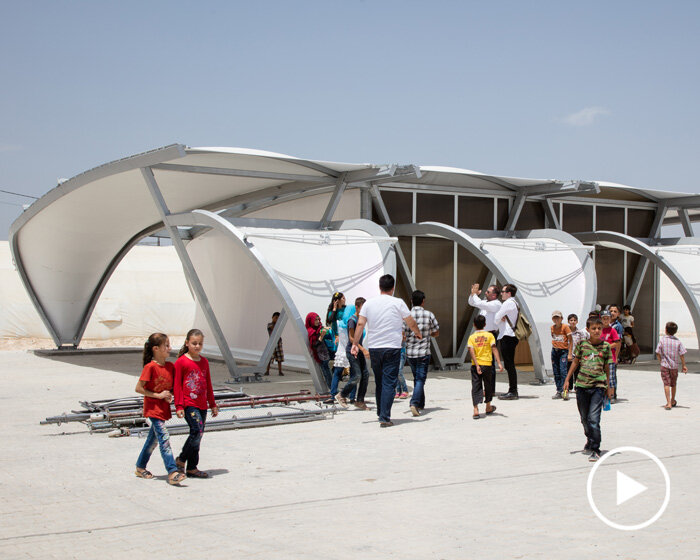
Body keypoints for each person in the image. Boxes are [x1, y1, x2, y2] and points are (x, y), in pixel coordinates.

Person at [351, 274, 421, 427]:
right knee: (389, 382)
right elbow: (410, 321)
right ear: (393, 287)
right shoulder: (398, 302)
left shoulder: (369, 303)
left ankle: (380, 412)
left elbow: (360, 324)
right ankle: (384, 417)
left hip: (375, 348)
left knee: (379, 382)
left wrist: (355, 343)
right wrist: (417, 332)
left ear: (379, 287)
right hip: (392, 348)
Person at [134, 333, 186, 485]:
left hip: (164, 409)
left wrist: (174, 400)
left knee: (153, 440)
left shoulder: (170, 367)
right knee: (164, 438)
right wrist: (158, 395)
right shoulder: (150, 367)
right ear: (156, 348)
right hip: (153, 410)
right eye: (167, 345)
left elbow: (175, 387)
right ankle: (172, 471)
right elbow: (139, 388)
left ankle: (140, 467)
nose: (170, 348)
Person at [563, 316, 614, 462]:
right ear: (588, 330)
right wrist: (567, 380)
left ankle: (596, 449)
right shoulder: (582, 344)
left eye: (599, 328)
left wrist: (609, 387)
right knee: (584, 419)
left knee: (593, 418)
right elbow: (576, 362)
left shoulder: (605, 347)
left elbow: (607, 367)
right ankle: (590, 440)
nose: (597, 331)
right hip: (581, 386)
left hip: (598, 387)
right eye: (594, 328)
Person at [174, 328, 219, 479]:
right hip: (189, 404)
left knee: (198, 435)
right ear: (187, 343)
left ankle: (192, 467)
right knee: (197, 430)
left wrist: (212, 403)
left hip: (202, 405)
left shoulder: (204, 362)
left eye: (200, 343)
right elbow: (177, 386)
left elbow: (208, 384)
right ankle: (181, 459)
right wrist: (179, 406)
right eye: (194, 343)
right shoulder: (181, 362)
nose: (197, 346)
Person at [404, 290, 440, 417]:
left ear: (411, 301)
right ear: (423, 301)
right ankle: (414, 403)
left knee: (417, 378)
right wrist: (427, 333)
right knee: (420, 379)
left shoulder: (406, 316)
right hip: (424, 351)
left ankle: (420, 403)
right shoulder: (428, 314)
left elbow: (402, 334)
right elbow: (436, 332)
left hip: (410, 353)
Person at [468, 283, 502, 396]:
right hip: (481, 335)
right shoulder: (486, 303)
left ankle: (490, 389)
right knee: (479, 361)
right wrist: (472, 294)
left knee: (489, 363)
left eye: (488, 292)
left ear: (494, 295)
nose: (485, 293)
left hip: (490, 335)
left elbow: (477, 302)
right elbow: (472, 302)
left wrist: (474, 293)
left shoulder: (496, 304)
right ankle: (483, 387)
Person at [337, 299, 371, 410]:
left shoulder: (361, 319)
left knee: (365, 375)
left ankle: (360, 400)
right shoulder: (352, 320)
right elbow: (352, 339)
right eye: (362, 307)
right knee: (357, 375)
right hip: (352, 351)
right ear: (357, 307)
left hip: (358, 351)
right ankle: (342, 395)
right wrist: (363, 349)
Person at [467, 315, 503, 419]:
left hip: (475, 365)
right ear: (485, 325)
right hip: (487, 364)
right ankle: (488, 406)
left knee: (476, 386)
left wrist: (477, 365)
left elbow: (471, 351)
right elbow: (494, 348)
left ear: (474, 325)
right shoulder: (490, 335)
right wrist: (499, 363)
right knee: (488, 385)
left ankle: (475, 409)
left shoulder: (471, 337)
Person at [495, 284, 520, 400]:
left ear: (509, 293)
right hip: (510, 335)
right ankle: (513, 390)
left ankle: (513, 391)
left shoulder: (508, 303)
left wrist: (500, 317)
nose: (501, 293)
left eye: (503, 291)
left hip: (507, 335)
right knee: (509, 364)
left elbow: (496, 317)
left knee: (509, 364)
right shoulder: (514, 303)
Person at [656, 321, 688, 410]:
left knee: (666, 383)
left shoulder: (662, 340)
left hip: (665, 366)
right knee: (673, 384)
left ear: (665, 330)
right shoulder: (678, 341)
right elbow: (682, 354)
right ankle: (673, 400)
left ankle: (668, 403)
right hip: (674, 366)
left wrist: (661, 361)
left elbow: (657, 353)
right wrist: (684, 365)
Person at [306, 312, 334, 401]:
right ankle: (332, 390)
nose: (318, 321)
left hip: (326, 353)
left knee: (330, 373)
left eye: (318, 319)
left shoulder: (320, 328)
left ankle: (333, 389)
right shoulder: (311, 331)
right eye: (316, 320)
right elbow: (314, 345)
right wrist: (321, 337)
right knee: (327, 374)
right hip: (320, 355)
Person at [327, 292, 349, 400]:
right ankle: (333, 393)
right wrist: (335, 308)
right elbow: (330, 320)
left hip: (347, 339)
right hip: (338, 339)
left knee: (351, 369)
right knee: (338, 368)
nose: (345, 299)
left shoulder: (346, 310)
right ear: (338, 300)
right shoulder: (333, 311)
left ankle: (350, 394)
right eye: (343, 298)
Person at [550, 310, 573, 400]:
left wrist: (570, 353)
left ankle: (565, 390)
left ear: (561, 318)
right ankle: (559, 390)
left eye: (558, 318)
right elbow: (553, 337)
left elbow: (570, 340)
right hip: (555, 351)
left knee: (563, 371)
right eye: (554, 318)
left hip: (563, 351)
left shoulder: (565, 327)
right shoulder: (552, 327)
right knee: (556, 371)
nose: (556, 320)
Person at [600, 310, 621, 402]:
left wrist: (607, 346)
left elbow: (617, 342)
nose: (605, 320)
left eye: (607, 318)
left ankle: (611, 395)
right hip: (599, 358)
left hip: (610, 358)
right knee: (601, 377)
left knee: (611, 378)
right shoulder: (598, 330)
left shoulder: (612, 330)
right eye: (604, 318)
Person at [567, 313, 589, 389]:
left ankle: (577, 387)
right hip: (568, 355)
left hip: (577, 355)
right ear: (568, 321)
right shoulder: (566, 332)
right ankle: (569, 387)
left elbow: (583, 344)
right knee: (568, 371)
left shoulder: (580, 333)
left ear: (577, 321)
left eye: (574, 320)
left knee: (577, 372)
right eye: (571, 320)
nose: (573, 322)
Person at [265, 312, 284, 376]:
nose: (276, 319)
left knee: (279, 358)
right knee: (269, 358)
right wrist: (276, 323)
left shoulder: (279, 325)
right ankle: (267, 371)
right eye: (275, 318)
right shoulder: (270, 325)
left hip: (278, 342)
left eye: (278, 318)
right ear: (272, 318)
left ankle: (280, 371)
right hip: (272, 342)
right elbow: (273, 329)